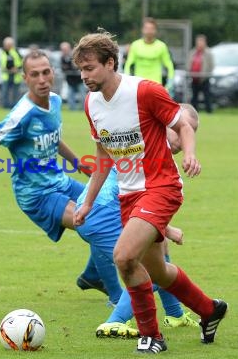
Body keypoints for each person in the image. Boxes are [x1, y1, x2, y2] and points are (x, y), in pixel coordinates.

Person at [73, 30, 227, 354]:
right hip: (129, 195)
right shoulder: (91, 104)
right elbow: (103, 158)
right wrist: (87, 202)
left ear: (110, 62)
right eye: (81, 70)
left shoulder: (144, 91)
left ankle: (151, 336)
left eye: (90, 68)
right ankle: (210, 310)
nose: (84, 76)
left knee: (123, 256)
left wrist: (189, 153)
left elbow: (183, 123)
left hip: (161, 186)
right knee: (158, 270)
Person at [76, 104, 200, 339]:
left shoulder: (151, 146)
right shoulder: (150, 150)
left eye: (189, 133)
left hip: (102, 210)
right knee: (145, 267)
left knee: (158, 250)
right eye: (179, 129)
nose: (182, 139)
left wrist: (166, 229)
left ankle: (174, 313)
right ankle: (115, 322)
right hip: (104, 212)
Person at [0, 50, 87, 244]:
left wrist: (80, 165)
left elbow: (53, 140)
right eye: (35, 75)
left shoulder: (55, 101)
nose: (42, 80)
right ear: (25, 78)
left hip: (60, 181)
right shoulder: (21, 116)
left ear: (53, 72)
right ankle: (95, 276)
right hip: (36, 193)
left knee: (107, 213)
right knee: (95, 223)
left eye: (46, 72)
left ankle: (90, 276)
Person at [124, 17, 175, 94]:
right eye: (147, 28)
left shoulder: (161, 46)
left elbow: (169, 66)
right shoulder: (135, 45)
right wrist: (127, 81)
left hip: (156, 86)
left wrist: (169, 83)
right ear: (142, 30)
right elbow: (128, 64)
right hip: (138, 86)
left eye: (151, 28)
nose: (149, 31)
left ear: (155, 30)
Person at [188, 34, 214, 113]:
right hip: (194, 78)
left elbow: (211, 65)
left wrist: (205, 74)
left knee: (207, 96)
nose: (200, 44)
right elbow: (188, 63)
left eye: (201, 42)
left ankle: (209, 112)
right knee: (194, 97)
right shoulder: (192, 52)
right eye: (198, 42)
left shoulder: (208, 53)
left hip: (204, 79)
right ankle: (194, 113)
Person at [60, 41, 85, 110]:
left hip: (79, 80)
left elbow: (76, 67)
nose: (64, 51)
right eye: (62, 49)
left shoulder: (75, 56)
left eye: (65, 49)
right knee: (70, 95)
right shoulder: (62, 57)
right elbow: (63, 68)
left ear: (69, 48)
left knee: (83, 95)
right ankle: (72, 109)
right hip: (70, 80)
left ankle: (84, 109)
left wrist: (72, 67)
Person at [0, 36, 23, 108]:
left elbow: (22, 62)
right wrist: (5, 69)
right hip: (6, 76)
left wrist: (17, 68)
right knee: (5, 92)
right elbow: (1, 63)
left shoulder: (16, 52)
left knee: (15, 93)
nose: (8, 46)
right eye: (7, 45)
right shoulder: (2, 52)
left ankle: (14, 106)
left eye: (9, 44)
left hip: (16, 76)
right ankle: (5, 106)